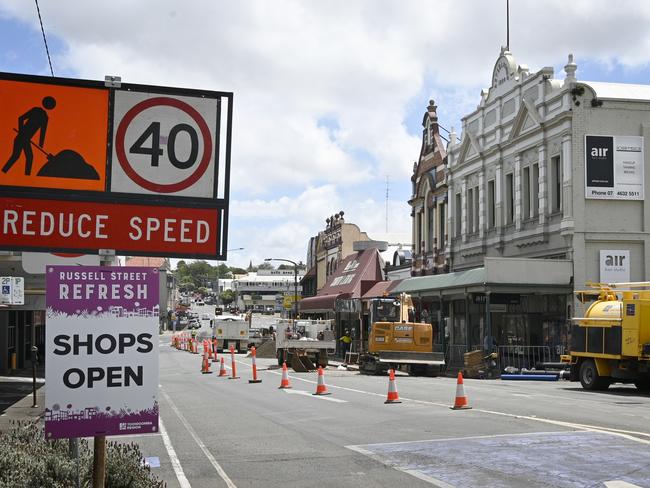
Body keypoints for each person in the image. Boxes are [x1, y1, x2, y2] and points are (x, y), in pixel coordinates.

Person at [3, 96, 56, 176]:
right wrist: (21, 132)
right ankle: (7, 172)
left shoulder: (44, 117)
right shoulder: (38, 112)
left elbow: (42, 132)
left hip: (25, 139)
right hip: (21, 138)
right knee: (18, 156)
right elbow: (21, 118)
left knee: (26, 157)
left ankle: (25, 176)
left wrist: (41, 144)